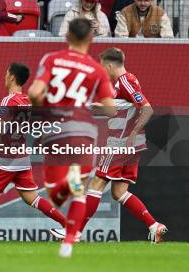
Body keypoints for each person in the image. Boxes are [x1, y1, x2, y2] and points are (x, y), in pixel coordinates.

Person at [51, 47, 167, 244]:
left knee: (96, 184)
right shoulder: (123, 83)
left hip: (121, 144)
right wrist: (96, 107)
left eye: (104, 66)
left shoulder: (126, 81)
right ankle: (154, 226)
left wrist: (130, 135)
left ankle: (75, 232)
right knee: (118, 192)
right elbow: (117, 112)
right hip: (131, 145)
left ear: (111, 65)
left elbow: (147, 109)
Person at [28, 18, 116, 258]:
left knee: (55, 193)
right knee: (79, 191)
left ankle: (68, 234)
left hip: (55, 130)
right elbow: (111, 109)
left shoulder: (51, 59)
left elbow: (35, 92)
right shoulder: (97, 70)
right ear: (91, 39)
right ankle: (68, 241)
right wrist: (90, 104)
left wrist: (42, 107)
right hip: (84, 132)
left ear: (66, 37)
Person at [0, 62, 67, 243]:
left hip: (5, 158)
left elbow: (1, 127)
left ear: (11, 77)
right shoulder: (25, 100)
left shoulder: (9, 100)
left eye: (6, 73)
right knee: (31, 197)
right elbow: (8, 111)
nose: (4, 76)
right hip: (21, 157)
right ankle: (68, 226)